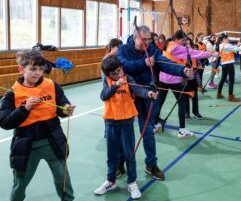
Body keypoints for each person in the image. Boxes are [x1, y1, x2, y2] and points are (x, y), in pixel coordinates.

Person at [117, 25, 193, 180]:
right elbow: (123, 66)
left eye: (148, 39)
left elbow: (164, 62)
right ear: (135, 37)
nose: (146, 43)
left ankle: (151, 164)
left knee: (148, 133)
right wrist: (143, 63)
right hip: (127, 98)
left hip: (148, 97)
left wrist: (182, 70)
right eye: (143, 39)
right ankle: (119, 163)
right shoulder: (123, 49)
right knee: (125, 133)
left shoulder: (152, 49)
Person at [0, 50, 76, 201]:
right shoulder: (12, 93)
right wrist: (25, 108)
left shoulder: (51, 85)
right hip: (27, 146)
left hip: (52, 142)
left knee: (63, 179)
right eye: (33, 69)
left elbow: (61, 103)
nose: (38, 73)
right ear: (21, 69)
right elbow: (5, 122)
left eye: (41, 69)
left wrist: (66, 108)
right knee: (20, 184)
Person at [94, 56, 158, 199]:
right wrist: (116, 84)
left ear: (122, 68)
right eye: (114, 74)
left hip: (127, 122)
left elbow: (137, 90)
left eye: (119, 71)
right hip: (111, 122)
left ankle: (132, 182)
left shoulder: (128, 79)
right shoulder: (107, 81)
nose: (118, 75)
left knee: (130, 153)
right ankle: (111, 181)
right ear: (108, 75)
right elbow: (103, 96)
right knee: (112, 154)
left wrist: (149, 94)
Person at [158, 30, 217, 138]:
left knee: (160, 101)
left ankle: (155, 124)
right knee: (182, 103)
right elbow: (192, 53)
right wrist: (211, 54)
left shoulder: (168, 44)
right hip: (174, 78)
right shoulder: (175, 46)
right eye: (183, 40)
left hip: (163, 78)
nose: (184, 43)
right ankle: (182, 131)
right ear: (177, 39)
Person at [216, 34, 241, 102]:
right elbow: (237, 49)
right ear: (224, 39)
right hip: (229, 64)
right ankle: (230, 96)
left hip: (224, 64)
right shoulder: (227, 45)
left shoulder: (221, 45)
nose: (228, 40)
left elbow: (232, 49)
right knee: (231, 80)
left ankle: (218, 94)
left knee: (222, 79)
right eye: (227, 39)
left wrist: (237, 45)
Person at [185, 38, 204, 120]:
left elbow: (198, 61)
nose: (187, 45)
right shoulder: (182, 53)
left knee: (195, 96)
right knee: (185, 96)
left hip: (193, 78)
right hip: (185, 79)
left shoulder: (194, 52)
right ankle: (186, 113)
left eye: (189, 43)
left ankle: (196, 112)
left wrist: (199, 65)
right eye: (186, 44)